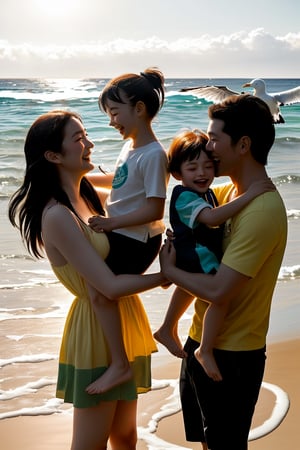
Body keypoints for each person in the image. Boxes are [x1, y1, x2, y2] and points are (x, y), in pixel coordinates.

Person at [8, 110, 167, 450]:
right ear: (53, 155)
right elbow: (107, 286)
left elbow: (138, 186)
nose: (89, 144)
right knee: (89, 445)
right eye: (78, 139)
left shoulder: (89, 194)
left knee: (125, 437)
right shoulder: (57, 216)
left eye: (86, 135)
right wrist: (165, 275)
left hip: (124, 316)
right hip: (96, 329)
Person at [159, 95, 287, 450]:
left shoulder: (261, 211)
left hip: (233, 356)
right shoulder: (228, 191)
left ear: (243, 144)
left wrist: (169, 269)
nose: (209, 147)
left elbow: (218, 292)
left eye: (215, 138)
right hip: (200, 341)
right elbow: (180, 195)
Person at [154, 128, 275, 382]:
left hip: (191, 255)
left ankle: (167, 327)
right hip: (197, 254)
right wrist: (250, 193)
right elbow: (211, 217)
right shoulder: (185, 196)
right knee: (220, 298)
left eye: (208, 166)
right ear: (177, 173)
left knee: (187, 287)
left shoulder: (204, 192)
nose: (202, 173)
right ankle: (205, 348)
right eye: (192, 168)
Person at [85, 68, 169, 393]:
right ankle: (118, 359)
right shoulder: (132, 147)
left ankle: (120, 365)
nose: (111, 122)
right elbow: (120, 183)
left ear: (139, 108)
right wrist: (80, 179)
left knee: (103, 292)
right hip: (123, 233)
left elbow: (154, 209)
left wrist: (110, 222)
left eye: (114, 112)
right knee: (99, 287)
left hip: (138, 239)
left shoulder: (154, 155)